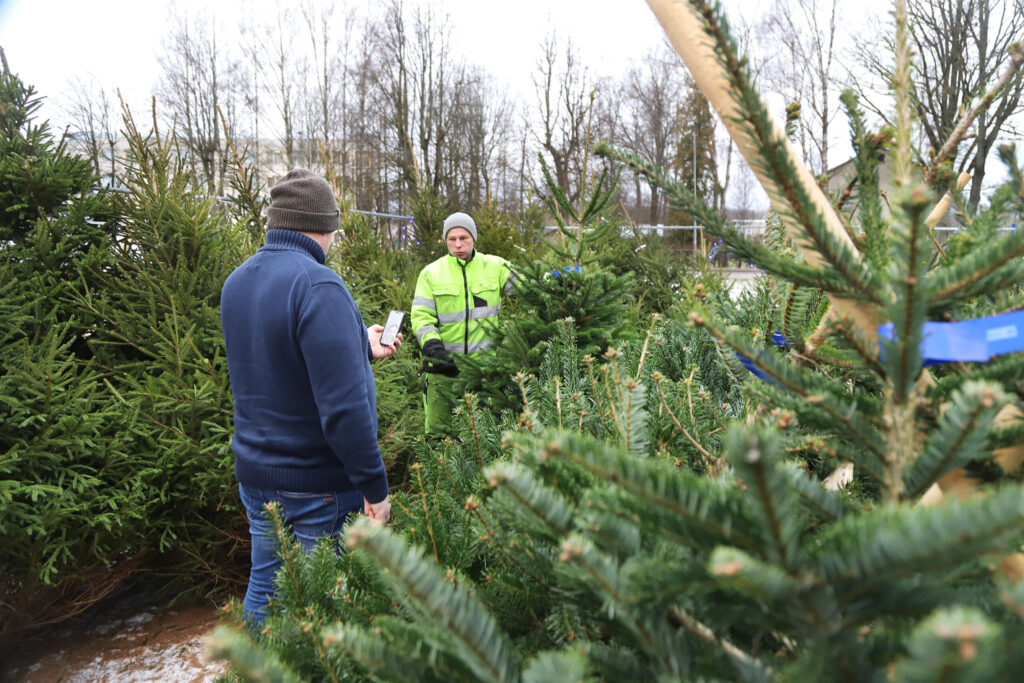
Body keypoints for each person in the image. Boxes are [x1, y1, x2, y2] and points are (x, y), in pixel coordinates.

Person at [220, 169, 399, 625]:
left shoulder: (238, 281)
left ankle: (256, 670)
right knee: (327, 609)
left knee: (266, 587)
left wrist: (358, 344)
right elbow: (344, 410)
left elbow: (278, 360)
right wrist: (375, 490)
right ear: (327, 226)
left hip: (257, 478)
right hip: (317, 487)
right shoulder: (320, 284)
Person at [411, 211, 513, 439]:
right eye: (452, 239)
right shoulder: (431, 274)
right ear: (446, 240)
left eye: (463, 238)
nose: (458, 244)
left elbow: (530, 282)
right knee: (440, 438)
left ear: (473, 238)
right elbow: (421, 316)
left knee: (485, 437)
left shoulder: (495, 267)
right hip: (443, 372)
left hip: (484, 372)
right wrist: (433, 348)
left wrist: (561, 280)